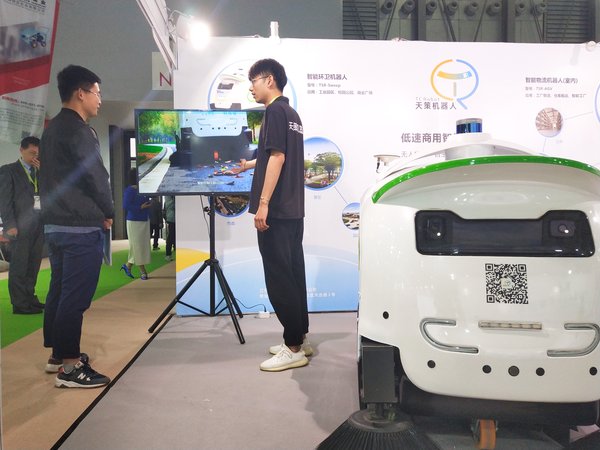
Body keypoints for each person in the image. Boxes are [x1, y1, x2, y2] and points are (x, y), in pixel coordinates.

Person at [39, 64, 114, 388]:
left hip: (56, 224)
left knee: (59, 290)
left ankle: (58, 354)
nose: (99, 100)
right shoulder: (79, 130)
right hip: (80, 226)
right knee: (75, 297)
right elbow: (95, 176)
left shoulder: (52, 129)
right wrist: (108, 210)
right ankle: (70, 369)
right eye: (97, 93)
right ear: (81, 93)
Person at [235, 59, 311, 372]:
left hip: (276, 211)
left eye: (253, 81)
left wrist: (263, 203)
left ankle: (292, 348)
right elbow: (275, 155)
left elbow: (278, 158)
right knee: (293, 274)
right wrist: (249, 165)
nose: (251, 88)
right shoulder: (291, 114)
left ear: (269, 80)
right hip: (293, 210)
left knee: (279, 278)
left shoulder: (274, 112)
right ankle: (299, 338)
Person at [0, 136, 45, 314]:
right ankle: (19, 304)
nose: (35, 156)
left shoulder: (40, 171)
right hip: (18, 226)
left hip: (39, 224)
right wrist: (9, 224)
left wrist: (43, 173)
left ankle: (30, 298)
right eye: (31, 153)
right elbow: (5, 201)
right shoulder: (8, 171)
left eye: (37, 154)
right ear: (21, 150)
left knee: (33, 264)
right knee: (19, 265)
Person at [122, 168, 152, 280]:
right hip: (134, 221)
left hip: (144, 219)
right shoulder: (130, 191)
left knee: (139, 246)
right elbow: (126, 206)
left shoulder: (142, 189)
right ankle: (143, 271)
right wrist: (140, 207)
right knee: (137, 246)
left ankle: (128, 266)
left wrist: (148, 204)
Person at [163, 195, 175, 261]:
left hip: (174, 217)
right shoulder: (168, 195)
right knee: (171, 236)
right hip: (172, 218)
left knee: (172, 236)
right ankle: (168, 254)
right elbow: (170, 206)